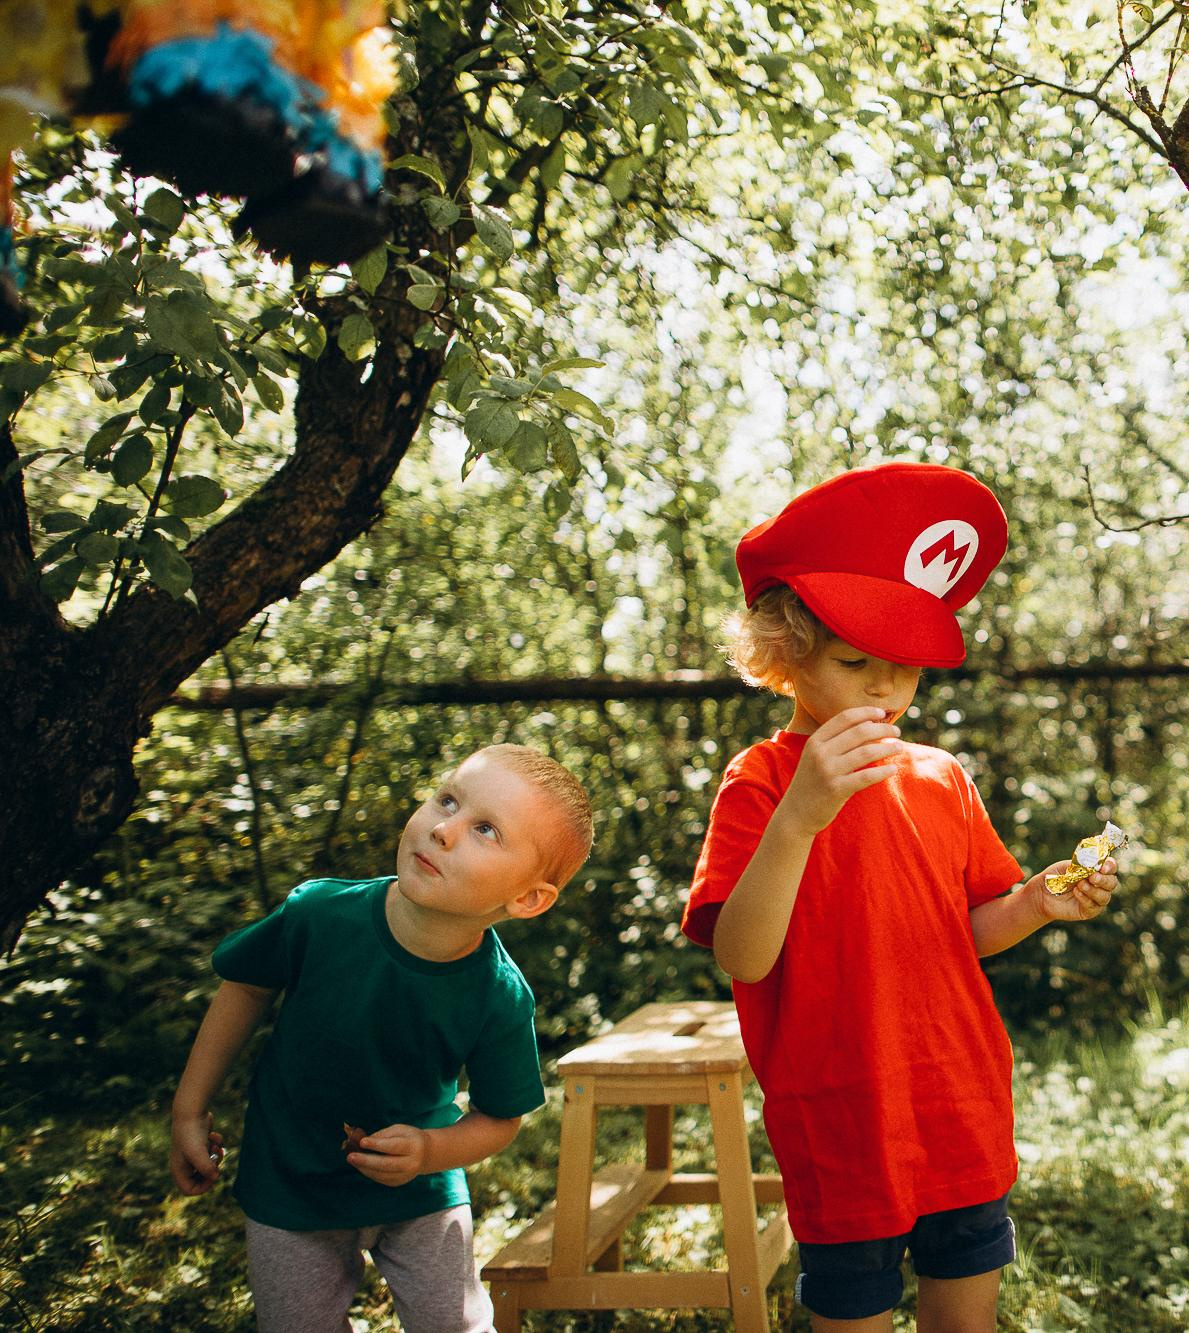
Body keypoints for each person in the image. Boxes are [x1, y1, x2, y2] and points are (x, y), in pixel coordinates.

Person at [682, 462, 1120, 1332]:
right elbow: (742, 955)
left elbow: (964, 932)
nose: (885, 689)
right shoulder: (762, 782)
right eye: (855, 662)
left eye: (907, 667)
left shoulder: (940, 777)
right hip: (842, 1121)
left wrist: (1034, 903)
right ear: (786, 653)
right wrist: (802, 816)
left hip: (958, 1105)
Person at [169, 744, 594, 1333]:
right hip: (292, 1180)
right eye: (447, 800)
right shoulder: (318, 915)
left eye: (486, 830)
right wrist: (189, 1110)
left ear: (526, 899)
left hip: (421, 1193)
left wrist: (428, 1152)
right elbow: (244, 988)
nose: (443, 830)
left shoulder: (498, 994)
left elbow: (501, 1119)